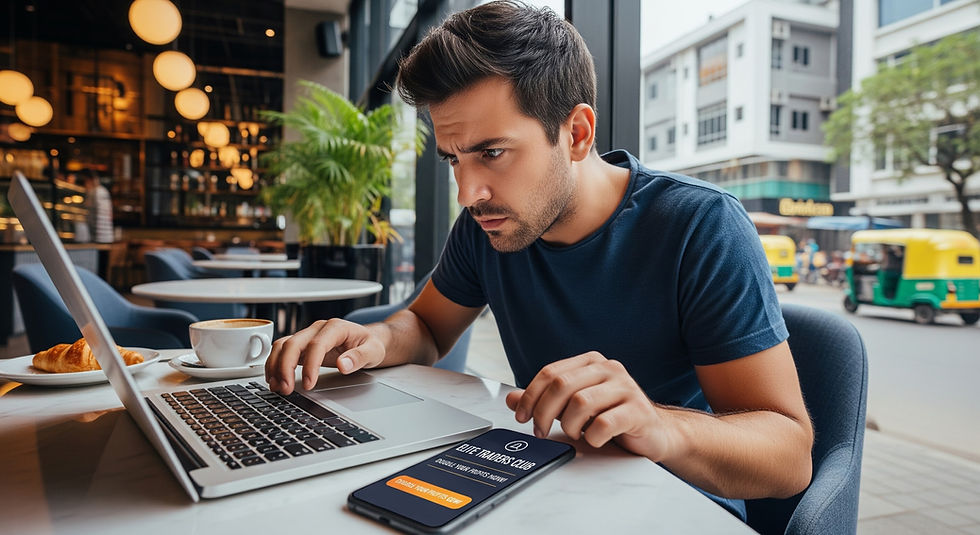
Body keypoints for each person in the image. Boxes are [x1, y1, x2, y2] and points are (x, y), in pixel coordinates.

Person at [266, 1, 812, 521]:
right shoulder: (488, 223)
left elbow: (789, 458)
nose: (467, 192)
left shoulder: (700, 224)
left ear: (575, 134)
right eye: (454, 159)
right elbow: (428, 326)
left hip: (672, 506)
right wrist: (376, 341)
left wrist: (661, 426)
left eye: (492, 153)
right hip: (542, 490)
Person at [81, 168, 113, 243]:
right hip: (107, 236)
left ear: (88, 180)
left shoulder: (93, 192)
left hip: (96, 236)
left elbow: (88, 213)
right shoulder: (104, 190)